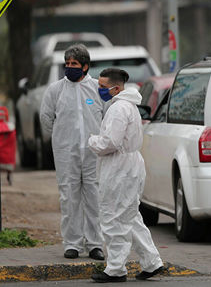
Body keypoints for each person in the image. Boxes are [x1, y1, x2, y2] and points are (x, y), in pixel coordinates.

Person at [88, 68, 164, 283]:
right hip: (128, 165)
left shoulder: (118, 108)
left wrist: (92, 141)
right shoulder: (126, 105)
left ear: (116, 88)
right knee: (129, 216)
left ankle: (115, 269)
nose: (100, 90)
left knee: (113, 217)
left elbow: (111, 142)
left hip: (120, 168)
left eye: (103, 87)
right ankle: (151, 261)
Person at [39, 44, 105, 260]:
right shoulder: (55, 90)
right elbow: (46, 118)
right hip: (66, 153)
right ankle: (72, 244)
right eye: (67, 64)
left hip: (93, 153)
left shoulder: (97, 89)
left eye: (74, 64)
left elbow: (107, 117)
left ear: (85, 66)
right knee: (69, 197)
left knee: (94, 197)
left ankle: (95, 244)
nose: (69, 67)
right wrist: (61, 138)